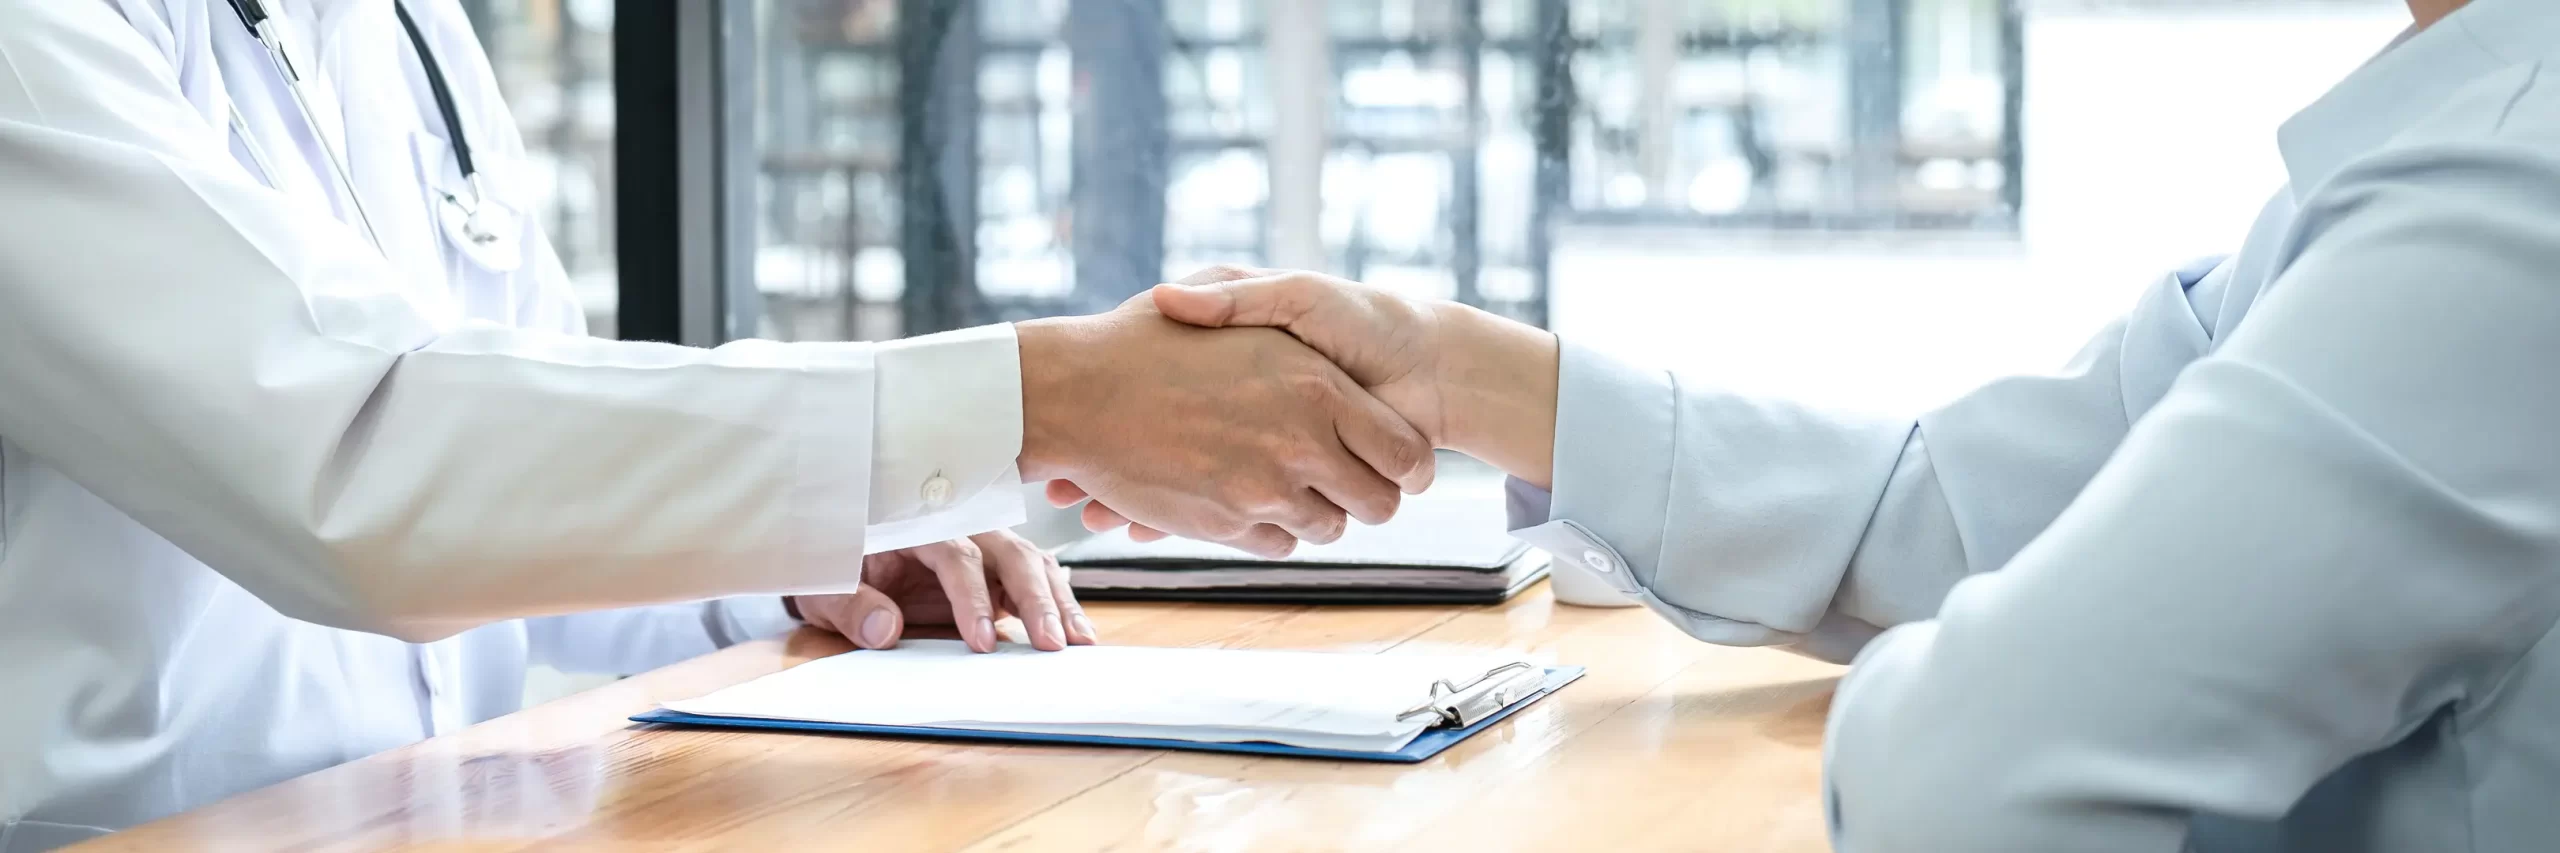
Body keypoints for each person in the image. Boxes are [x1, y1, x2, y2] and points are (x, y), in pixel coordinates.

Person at [1089, 0, 2560, 847]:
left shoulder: (2513, 201)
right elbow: (1970, 515)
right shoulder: (2436, 152)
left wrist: (2067, 640)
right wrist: (1463, 375)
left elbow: (1977, 774)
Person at [0, 0, 1433, 846]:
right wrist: (1040, 394)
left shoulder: (400, 25)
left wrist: (803, 555)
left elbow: (513, 453)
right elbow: (363, 467)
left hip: (432, 816)